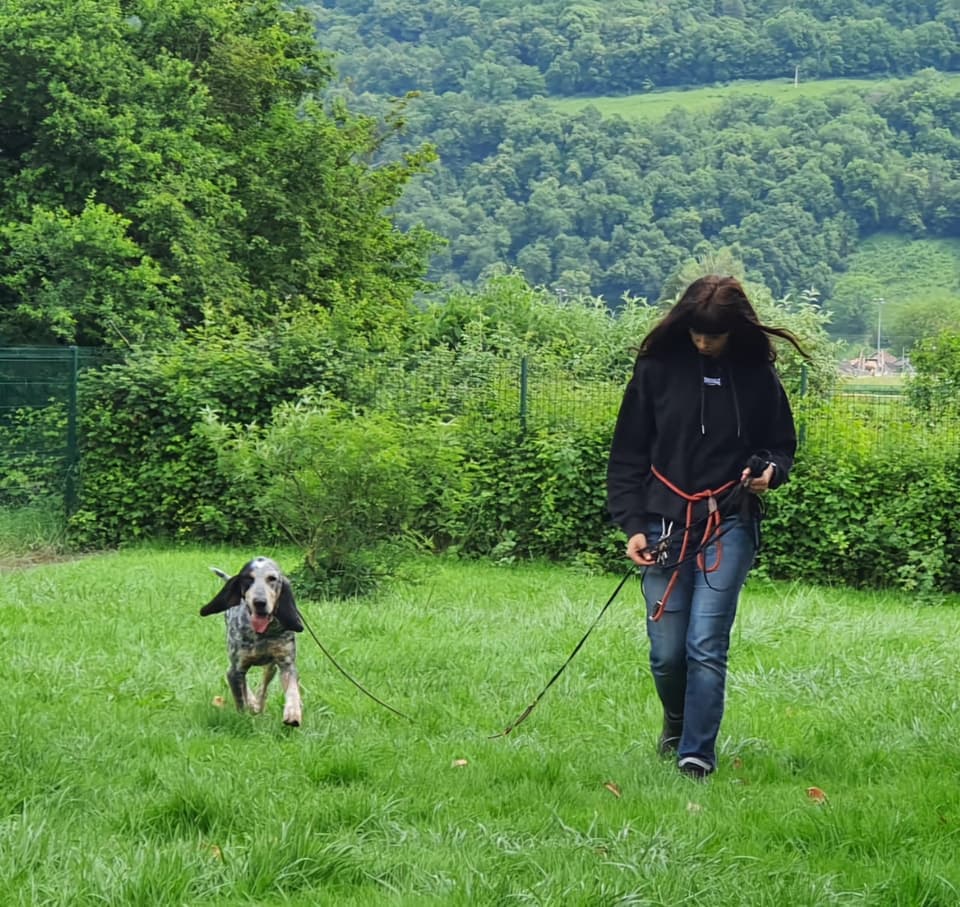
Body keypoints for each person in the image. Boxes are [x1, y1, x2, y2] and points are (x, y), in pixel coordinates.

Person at [606, 275, 807, 780]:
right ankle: (676, 722)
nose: (703, 342)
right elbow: (627, 453)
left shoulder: (757, 374)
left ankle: (696, 755)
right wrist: (632, 524)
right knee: (666, 653)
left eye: (713, 335)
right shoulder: (655, 369)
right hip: (664, 523)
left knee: (705, 643)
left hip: (729, 520)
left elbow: (781, 445)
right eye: (696, 333)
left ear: (734, 330)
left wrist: (770, 472)